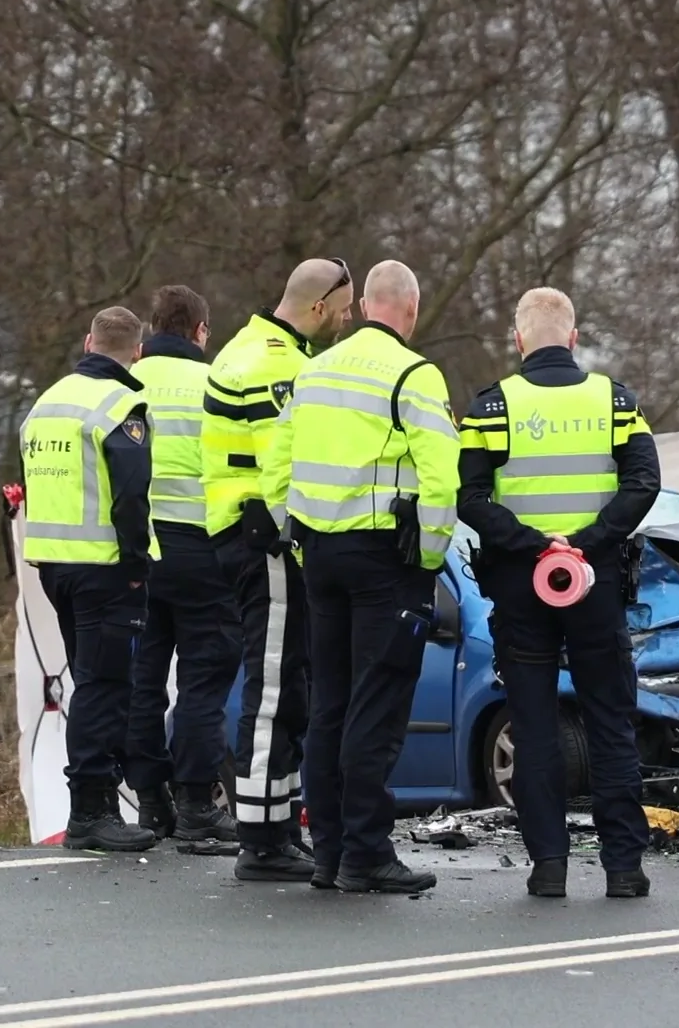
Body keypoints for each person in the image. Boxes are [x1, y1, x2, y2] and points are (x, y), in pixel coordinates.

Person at [262, 259, 460, 894]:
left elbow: (277, 466)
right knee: (377, 706)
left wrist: (296, 538)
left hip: (320, 557)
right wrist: (428, 557)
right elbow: (442, 479)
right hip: (383, 562)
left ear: (366, 304)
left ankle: (328, 852)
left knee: (331, 705)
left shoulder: (313, 370)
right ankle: (367, 854)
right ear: (411, 307)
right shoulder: (414, 375)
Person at [456, 287, 659, 899]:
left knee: (535, 727)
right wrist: (588, 540)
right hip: (593, 579)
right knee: (611, 723)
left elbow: (469, 498)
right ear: (574, 338)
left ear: (519, 339)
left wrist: (531, 543)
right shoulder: (614, 401)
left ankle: (549, 867)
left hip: (522, 585)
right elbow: (645, 481)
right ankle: (624, 868)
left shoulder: (492, 408)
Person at [201, 257, 352, 881]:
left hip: (239, 528)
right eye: (342, 313)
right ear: (318, 308)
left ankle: (276, 827)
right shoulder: (283, 366)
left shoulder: (246, 345)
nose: (344, 325)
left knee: (284, 683)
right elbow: (288, 467)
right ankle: (262, 840)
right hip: (265, 535)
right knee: (272, 687)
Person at [19, 305, 162, 852]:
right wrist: (134, 562)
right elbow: (131, 494)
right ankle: (90, 810)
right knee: (104, 688)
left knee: (89, 681)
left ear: (88, 341)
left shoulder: (46, 401)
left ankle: (98, 802)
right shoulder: (123, 404)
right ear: (138, 352)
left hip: (53, 565)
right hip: (104, 568)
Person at [122, 285, 241, 843]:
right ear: (200, 331)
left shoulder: (125, 384)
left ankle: (150, 801)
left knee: (144, 680)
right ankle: (197, 801)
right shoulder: (215, 382)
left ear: (153, 326)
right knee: (203, 679)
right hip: (201, 548)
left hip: (138, 551)